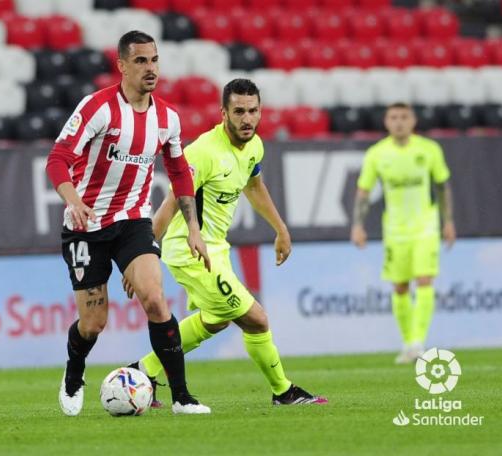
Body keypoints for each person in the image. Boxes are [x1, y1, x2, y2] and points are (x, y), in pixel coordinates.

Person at [125, 79, 327, 407]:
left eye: (253, 111)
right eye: (239, 112)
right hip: (189, 248)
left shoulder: (254, 146)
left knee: (217, 319)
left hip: (216, 246)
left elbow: (254, 185)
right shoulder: (203, 152)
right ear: (223, 113)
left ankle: (144, 369)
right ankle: (283, 391)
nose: (247, 119)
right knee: (256, 319)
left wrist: (281, 228)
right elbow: (171, 201)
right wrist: (144, 252)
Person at [45, 30, 212, 416]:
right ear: (121, 65)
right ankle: (74, 372)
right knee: (94, 323)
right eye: (140, 61)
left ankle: (182, 397)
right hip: (86, 226)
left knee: (155, 299)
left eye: (154, 60)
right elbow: (57, 159)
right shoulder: (98, 108)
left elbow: (180, 174)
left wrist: (193, 230)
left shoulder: (167, 118)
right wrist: (75, 201)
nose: (150, 68)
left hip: (134, 221)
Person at [351, 102, 456, 364]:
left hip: (425, 227)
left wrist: (449, 221)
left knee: (424, 279)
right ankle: (409, 343)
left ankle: (418, 342)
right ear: (386, 122)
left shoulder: (429, 149)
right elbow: (363, 192)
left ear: (413, 121)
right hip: (395, 230)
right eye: (393, 117)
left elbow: (442, 186)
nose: (399, 122)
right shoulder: (377, 153)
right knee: (399, 286)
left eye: (404, 117)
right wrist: (357, 225)